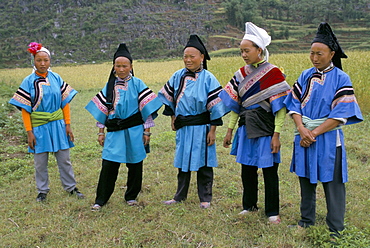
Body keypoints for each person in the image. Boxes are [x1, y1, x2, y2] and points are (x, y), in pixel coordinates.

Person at [284, 22, 363, 237]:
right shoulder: (305, 75)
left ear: (332, 54)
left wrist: (314, 133)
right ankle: (306, 220)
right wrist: (301, 128)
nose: (315, 58)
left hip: (327, 138)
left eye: (320, 53)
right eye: (312, 53)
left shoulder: (341, 78)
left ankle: (335, 228)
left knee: (333, 182)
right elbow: (293, 104)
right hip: (304, 135)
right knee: (305, 177)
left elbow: (341, 114)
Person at [219, 22, 290, 224]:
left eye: (247, 50)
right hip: (245, 128)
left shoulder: (274, 73)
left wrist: (277, 134)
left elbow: (281, 108)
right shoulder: (240, 74)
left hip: (267, 129)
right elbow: (236, 106)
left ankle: (272, 212)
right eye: (241, 51)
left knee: (269, 171)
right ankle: (249, 206)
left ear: (259, 50)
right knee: (247, 169)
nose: (243, 54)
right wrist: (229, 131)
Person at [85, 43, 162, 211]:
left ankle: (131, 196)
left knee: (135, 164)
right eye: (118, 66)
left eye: (124, 66)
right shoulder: (109, 86)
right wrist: (100, 132)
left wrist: (147, 131)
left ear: (131, 66)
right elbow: (103, 111)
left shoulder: (137, 83)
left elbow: (146, 108)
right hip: (114, 131)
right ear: (113, 66)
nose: (121, 69)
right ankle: (101, 199)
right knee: (109, 165)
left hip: (134, 130)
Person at [158, 35, 228, 209]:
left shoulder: (208, 78)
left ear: (202, 57)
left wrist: (212, 131)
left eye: (192, 56)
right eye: (185, 57)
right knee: (182, 162)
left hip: (202, 127)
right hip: (184, 127)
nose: (188, 60)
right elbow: (169, 100)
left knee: (204, 163)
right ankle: (179, 196)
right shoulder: (177, 76)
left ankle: (205, 198)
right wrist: (173, 118)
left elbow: (215, 107)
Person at [9, 42, 84, 202]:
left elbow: (65, 102)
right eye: (39, 60)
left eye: (46, 60)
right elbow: (25, 109)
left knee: (64, 159)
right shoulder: (28, 82)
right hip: (38, 126)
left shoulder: (56, 78)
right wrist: (29, 133)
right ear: (33, 61)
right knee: (40, 162)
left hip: (58, 124)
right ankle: (42, 191)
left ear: (50, 61)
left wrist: (68, 125)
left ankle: (71, 188)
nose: (43, 64)